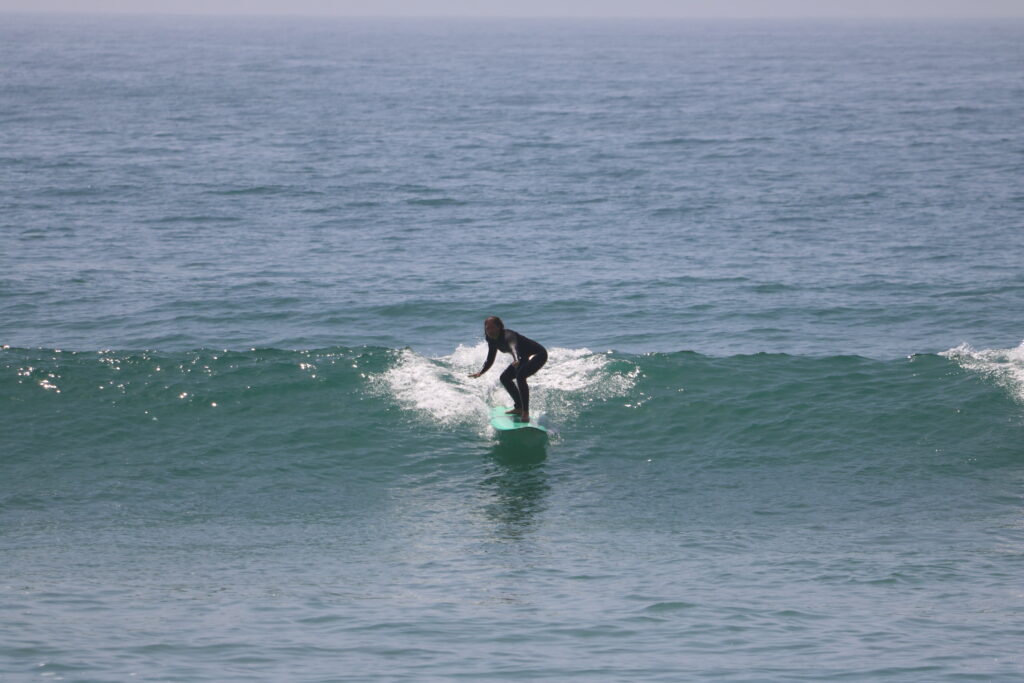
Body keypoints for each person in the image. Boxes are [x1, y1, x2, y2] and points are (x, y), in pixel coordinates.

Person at [468, 316, 547, 422]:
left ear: (499, 327)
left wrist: (516, 359)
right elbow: (491, 357)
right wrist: (481, 372)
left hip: (537, 354)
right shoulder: (491, 339)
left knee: (520, 376)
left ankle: (525, 413)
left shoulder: (508, 335)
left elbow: (513, 347)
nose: (490, 331)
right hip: (522, 357)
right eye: (487, 328)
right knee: (504, 378)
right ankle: (519, 407)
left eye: (492, 327)